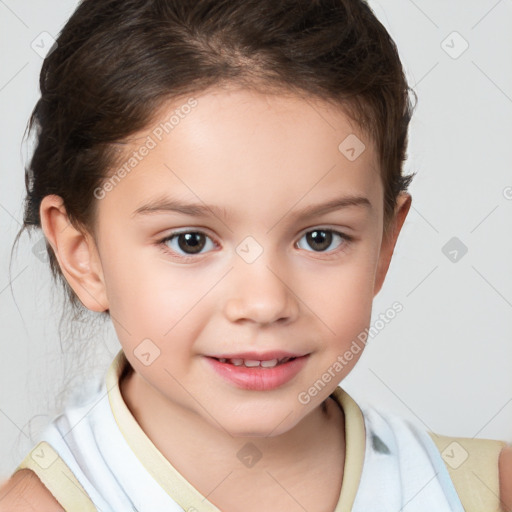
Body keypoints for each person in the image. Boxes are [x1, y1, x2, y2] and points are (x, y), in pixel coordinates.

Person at [1, 0, 511, 510]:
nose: (265, 303)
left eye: (319, 238)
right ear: (81, 255)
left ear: (384, 244)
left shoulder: (489, 491)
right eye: (190, 241)